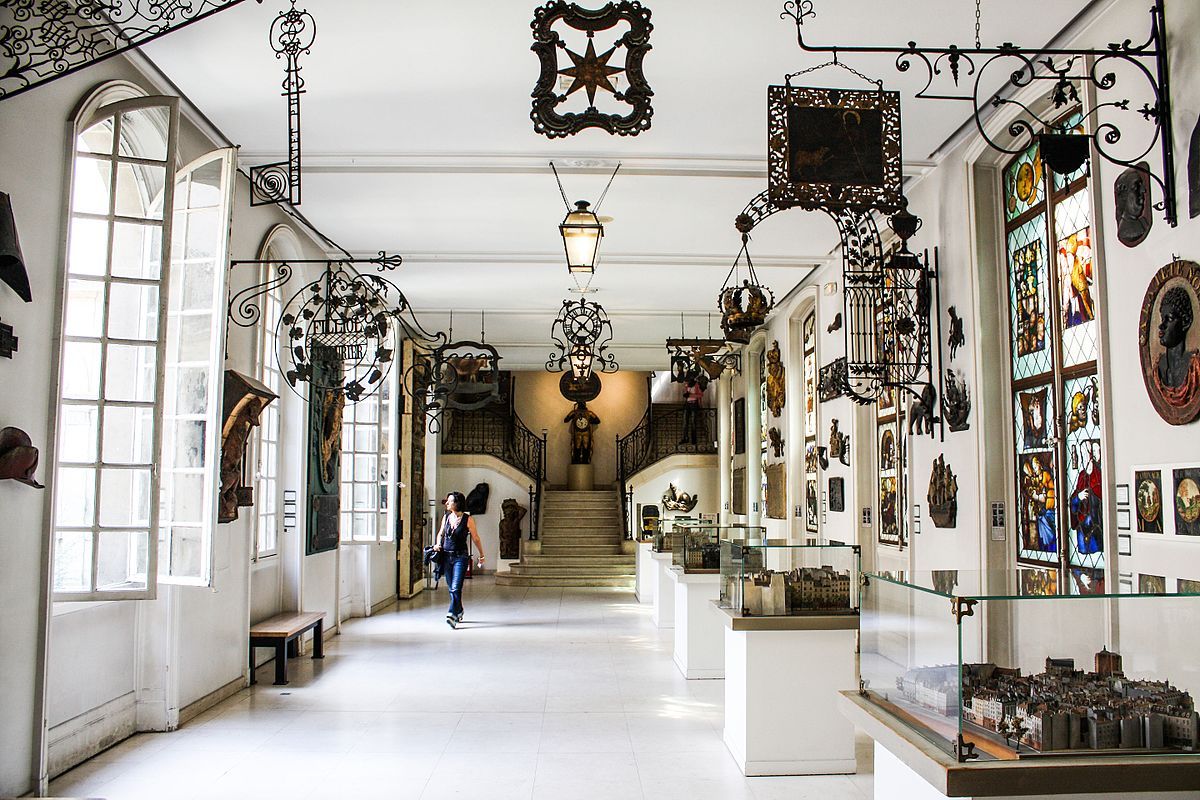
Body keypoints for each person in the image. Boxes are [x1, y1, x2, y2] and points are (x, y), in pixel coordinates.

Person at [434, 491, 485, 629]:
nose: (446, 503)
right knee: (452, 588)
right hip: (446, 556)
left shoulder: (468, 519)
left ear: (456, 503)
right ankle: (460, 609)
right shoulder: (446, 518)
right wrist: (438, 544)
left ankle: (452, 614)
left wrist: (481, 555)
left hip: (460, 557)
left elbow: (476, 538)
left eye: (449, 501)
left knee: (456, 587)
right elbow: (440, 533)